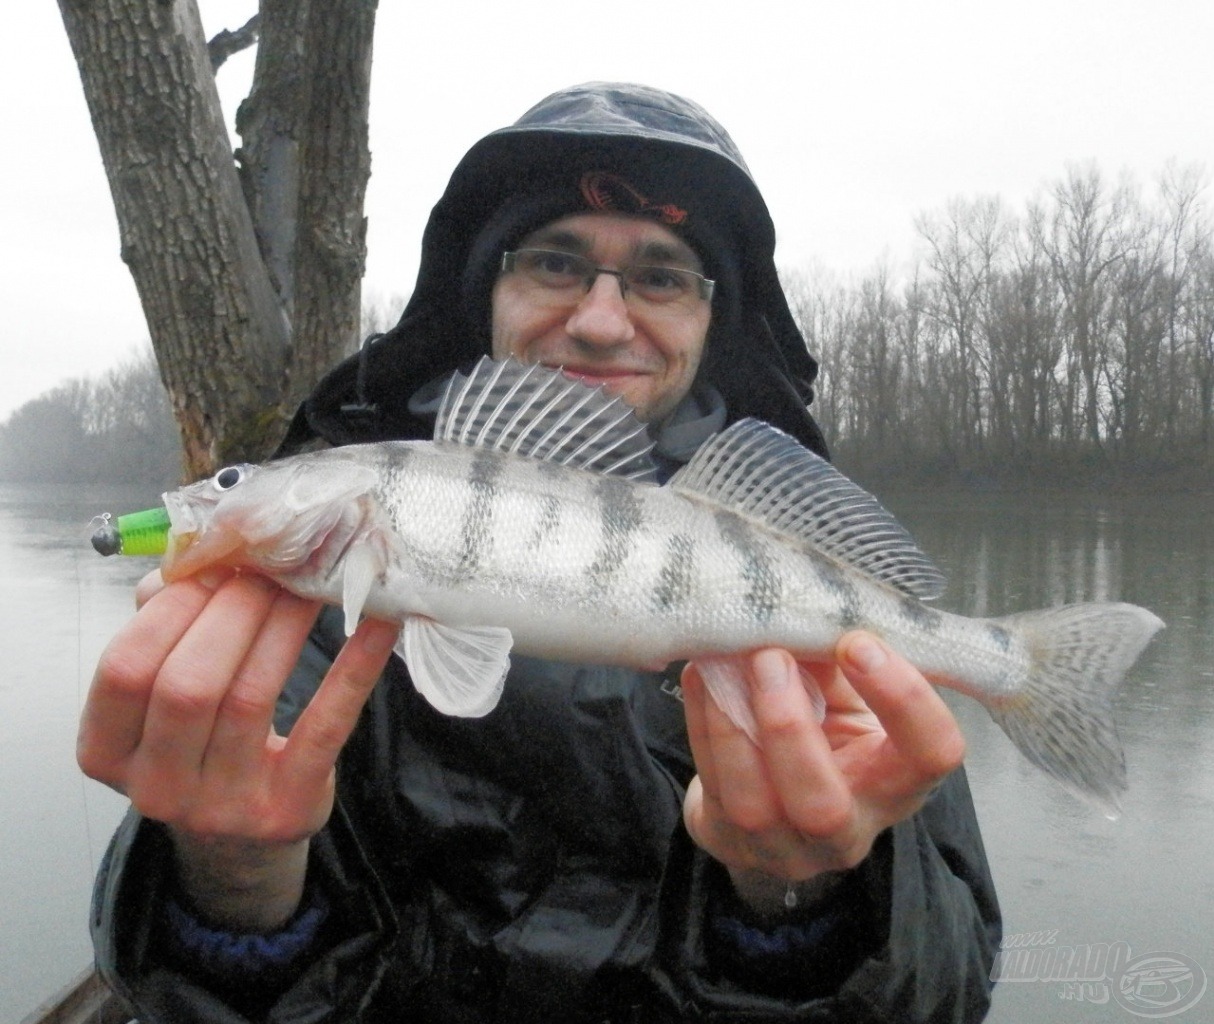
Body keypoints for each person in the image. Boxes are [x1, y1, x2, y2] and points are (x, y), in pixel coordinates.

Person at [80, 82, 1001, 1023]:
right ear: (486, 290)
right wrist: (231, 874)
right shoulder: (302, 597)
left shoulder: (799, 553)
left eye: (661, 275)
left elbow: (947, 991)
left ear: (712, 318)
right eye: (556, 262)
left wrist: (798, 899)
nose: (603, 321)